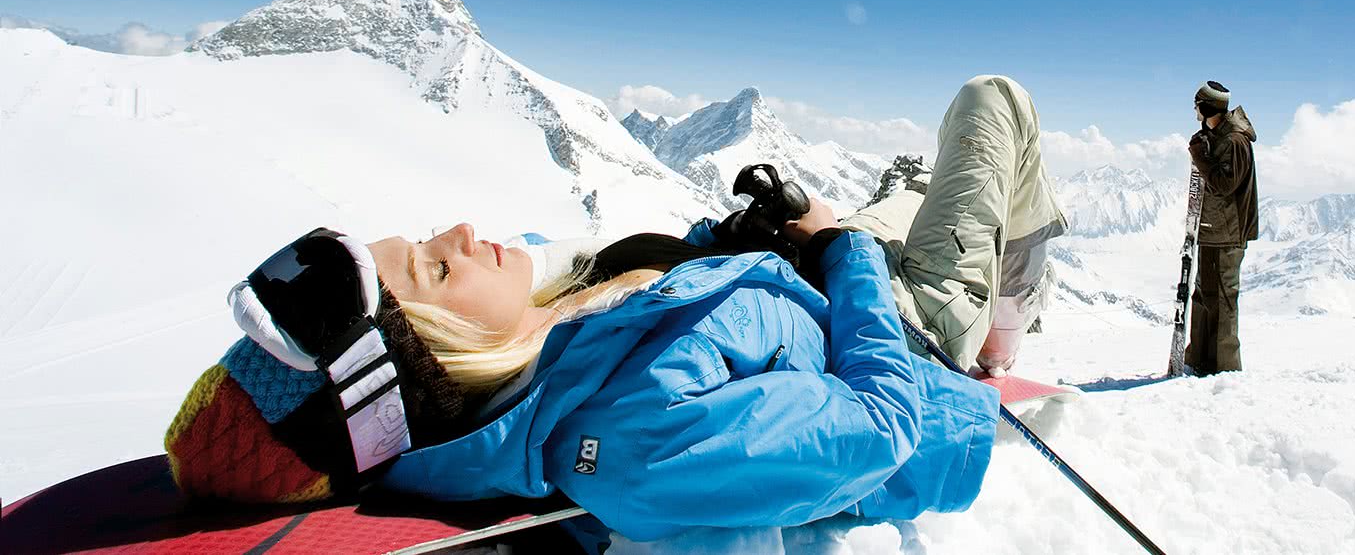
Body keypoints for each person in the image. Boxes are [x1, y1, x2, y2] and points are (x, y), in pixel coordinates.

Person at [161, 75, 1065, 546]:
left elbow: (679, 299)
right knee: (995, 105)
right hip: (905, 334)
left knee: (910, 180)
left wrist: (740, 239)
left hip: (832, 279)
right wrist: (845, 253)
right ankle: (1004, 320)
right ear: (444, 356)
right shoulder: (635, 435)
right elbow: (878, 427)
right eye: (437, 268)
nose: (465, 230)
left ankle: (941, 241)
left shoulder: (552, 332)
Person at [841, 74, 1069, 379]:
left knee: (912, 196)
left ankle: (997, 339)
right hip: (930, 321)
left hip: (855, 271)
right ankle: (998, 347)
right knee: (997, 95)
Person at [1184, 80, 1258, 376]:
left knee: (1225, 298)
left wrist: (1200, 155)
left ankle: (1226, 368)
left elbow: (1225, 184)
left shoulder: (1235, 142)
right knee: (1204, 295)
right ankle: (1201, 359)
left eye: (1197, 106)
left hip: (1228, 233)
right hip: (1212, 229)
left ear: (1205, 108)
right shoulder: (1216, 137)